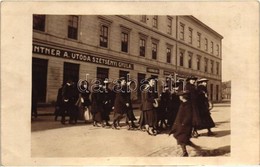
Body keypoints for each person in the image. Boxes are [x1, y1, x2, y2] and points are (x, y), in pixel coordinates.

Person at [169, 90, 193, 157]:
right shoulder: (183, 103)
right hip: (181, 123)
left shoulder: (187, 105)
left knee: (180, 136)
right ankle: (186, 148)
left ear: (183, 97)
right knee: (179, 136)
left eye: (180, 96)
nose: (179, 97)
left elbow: (188, 115)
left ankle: (185, 152)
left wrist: (183, 123)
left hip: (184, 124)